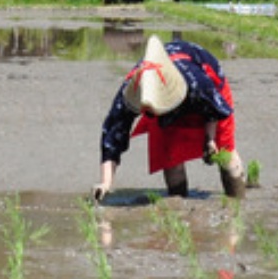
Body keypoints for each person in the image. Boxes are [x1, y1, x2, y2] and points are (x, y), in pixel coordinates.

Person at [94, 35, 243, 201]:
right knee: (170, 156)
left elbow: (213, 108)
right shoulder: (132, 89)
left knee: (226, 151)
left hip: (208, 89)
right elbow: (111, 138)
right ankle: (178, 205)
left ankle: (236, 201)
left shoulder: (196, 82)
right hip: (176, 94)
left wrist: (209, 139)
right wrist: (105, 183)